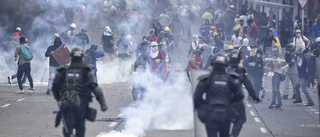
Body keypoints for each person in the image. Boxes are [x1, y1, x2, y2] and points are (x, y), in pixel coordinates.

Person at [52, 47, 108, 137]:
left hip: (66, 104)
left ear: (71, 57)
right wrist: (103, 104)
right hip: (81, 105)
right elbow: (95, 88)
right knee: (80, 129)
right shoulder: (87, 71)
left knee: (66, 128)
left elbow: (55, 87)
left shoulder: (63, 70)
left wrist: (58, 98)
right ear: (82, 56)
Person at [194, 53, 244, 137]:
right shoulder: (231, 79)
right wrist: (230, 101)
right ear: (226, 65)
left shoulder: (206, 79)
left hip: (211, 112)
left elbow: (196, 97)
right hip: (226, 112)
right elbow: (240, 95)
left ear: (213, 64)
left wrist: (204, 106)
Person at [227, 49, 259, 137]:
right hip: (236, 99)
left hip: (222, 98)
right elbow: (248, 86)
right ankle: (233, 135)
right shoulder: (241, 70)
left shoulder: (223, 69)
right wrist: (254, 97)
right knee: (241, 118)